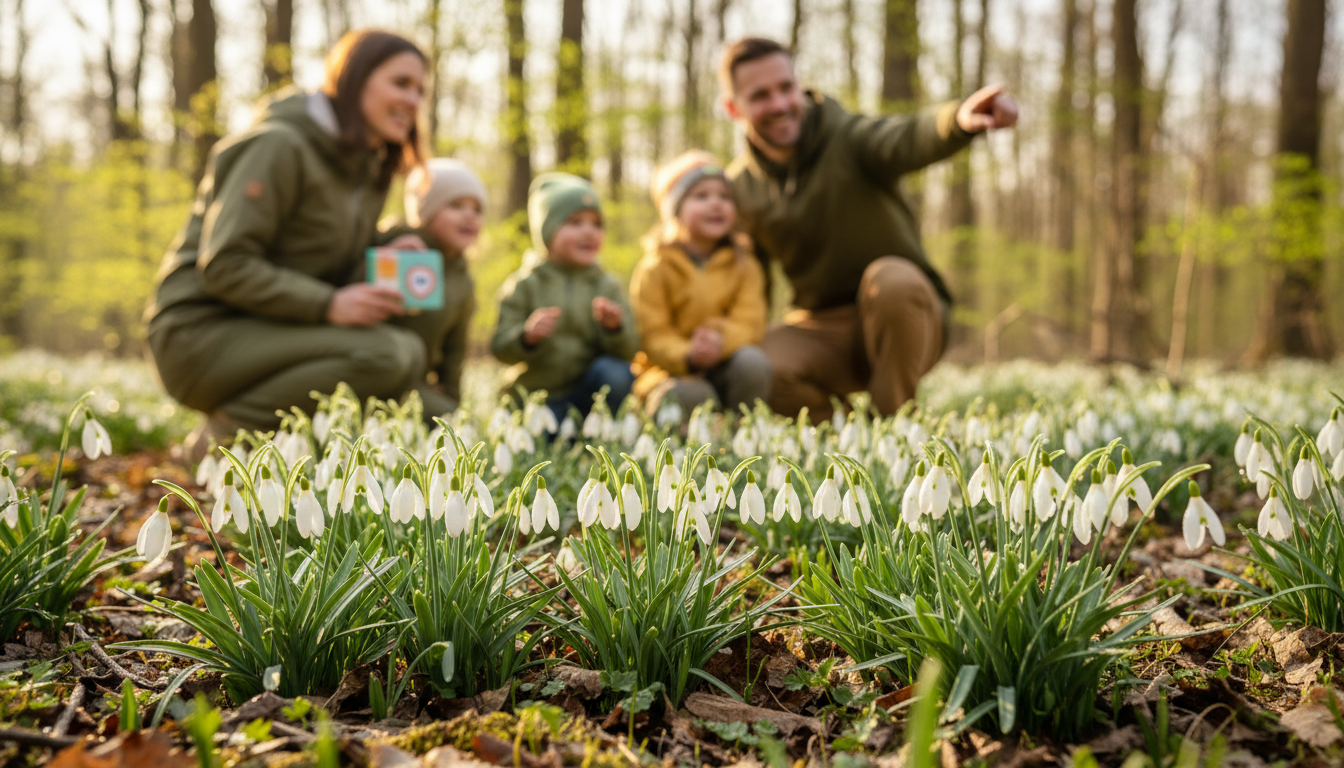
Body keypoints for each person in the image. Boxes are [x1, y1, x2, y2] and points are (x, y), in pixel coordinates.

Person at [145, 29, 437, 446]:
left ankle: (294, 445)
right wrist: (328, 305)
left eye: (421, 90)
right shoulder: (279, 145)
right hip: (198, 334)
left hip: (270, 327)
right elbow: (226, 265)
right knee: (387, 354)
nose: (414, 101)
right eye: (401, 83)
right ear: (354, 79)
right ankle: (225, 438)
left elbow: (321, 263)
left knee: (414, 366)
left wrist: (379, 253)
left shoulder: (365, 168)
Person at [719, 37, 1019, 421]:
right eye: (760, 95)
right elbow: (747, 287)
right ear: (733, 108)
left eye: (786, 87)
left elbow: (906, 137)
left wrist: (958, 121)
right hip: (823, 328)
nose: (779, 105)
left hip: (905, 313)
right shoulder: (739, 189)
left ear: (799, 86)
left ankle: (896, 425)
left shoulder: (848, 137)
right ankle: (849, 436)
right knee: (756, 364)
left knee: (889, 278)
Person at [629, 150, 770, 418]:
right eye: (701, 196)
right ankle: (683, 446)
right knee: (693, 395)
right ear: (675, 210)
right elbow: (651, 333)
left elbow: (750, 321)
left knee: (753, 363)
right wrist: (689, 354)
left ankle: (746, 436)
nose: (715, 204)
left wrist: (720, 339)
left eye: (724, 197)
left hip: (725, 364)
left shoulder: (745, 264)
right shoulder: (655, 267)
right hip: (670, 373)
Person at [490, 173, 639, 422]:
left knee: (616, 373)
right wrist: (527, 337)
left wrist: (614, 329)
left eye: (596, 224)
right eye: (575, 222)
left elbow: (629, 350)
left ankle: (600, 434)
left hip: (586, 398)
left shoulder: (606, 285)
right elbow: (500, 348)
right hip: (536, 398)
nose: (588, 232)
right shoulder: (525, 283)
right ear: (546, 231)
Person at [383, 158, 485, 415]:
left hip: (414, 386)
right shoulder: (395, 246)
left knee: (454, 424)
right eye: (455, 205)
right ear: (424, 210)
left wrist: (453, 403)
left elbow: (455, 350)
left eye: (477, 209)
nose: (469, 216)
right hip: (374, 370)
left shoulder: (462, 279)